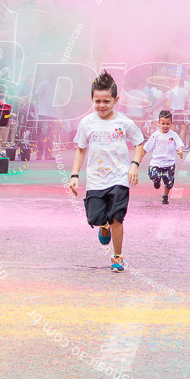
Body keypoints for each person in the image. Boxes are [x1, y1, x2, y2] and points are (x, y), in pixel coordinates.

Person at [68, 71, 145, 273]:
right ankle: (104, 225)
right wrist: (74, 175)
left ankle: (117, 257)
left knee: (117, 217)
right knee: (95, 218)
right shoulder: (87, 123)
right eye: (98, 101)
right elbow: (80, 149)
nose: (102, 105)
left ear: (116, 100)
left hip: (119, 177)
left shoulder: (124, 123)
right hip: (95, 179)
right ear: (92, 99)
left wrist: (134, 165)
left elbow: (139, 142)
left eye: (107, 101)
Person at [144, 110, 186, 205]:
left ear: (171, 123)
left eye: (168, 124)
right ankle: (157, 181)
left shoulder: (173, 135)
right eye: (163, 123)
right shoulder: (155, 135)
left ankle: (165, 196)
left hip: (169, 163)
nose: (165, 126)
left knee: (169, 183)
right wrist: (139, 158)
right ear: (159, 123)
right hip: (156, 163)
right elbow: (146, 148)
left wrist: (180, 151)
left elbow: (179, 144)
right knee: (155, 175)